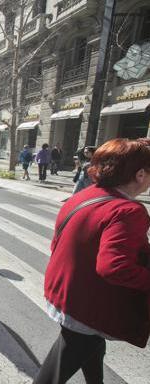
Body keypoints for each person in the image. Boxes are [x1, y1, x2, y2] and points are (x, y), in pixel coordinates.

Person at [34, 138, 150, 384]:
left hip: (64, 292)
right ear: (140, 174)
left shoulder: (87, 195)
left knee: (91, 347)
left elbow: (59, 240)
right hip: (86, 307)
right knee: (59, 368)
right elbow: (115, 266)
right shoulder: (128, 211)